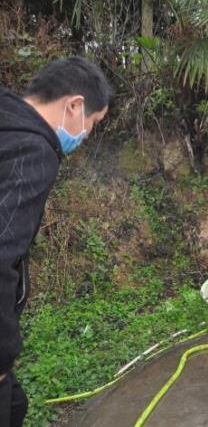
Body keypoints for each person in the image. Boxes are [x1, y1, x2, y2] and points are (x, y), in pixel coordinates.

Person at [0, 57, 111, 426]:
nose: (86, 135)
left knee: (15, 405)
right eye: (93, 124)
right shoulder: (31, 151)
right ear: (74, 105)